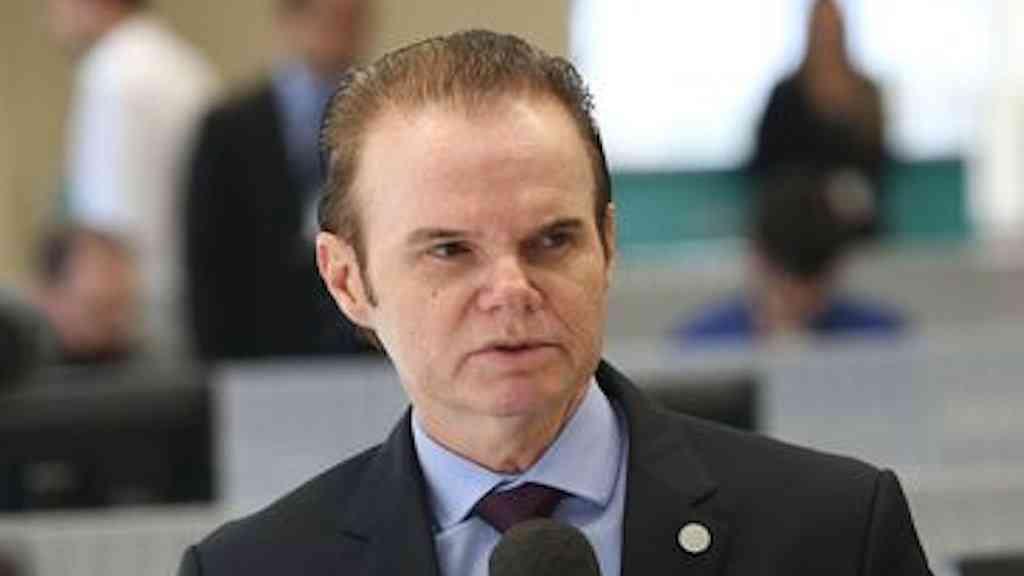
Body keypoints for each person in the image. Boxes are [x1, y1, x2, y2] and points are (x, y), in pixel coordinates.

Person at [179, 31, 931, 575]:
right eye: (450, 251)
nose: (511, 289)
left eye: (551, 241)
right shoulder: (251, 570)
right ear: (348, 281)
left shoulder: (836, 534)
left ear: (607, 245)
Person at [184, 0, 373, 360]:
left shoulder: (381, 122)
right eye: (330, 19)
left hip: (360, 348)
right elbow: (207, 261)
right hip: (260, 349)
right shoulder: (229, 127)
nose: (342, 34)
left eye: (353, 20)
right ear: (290, 20)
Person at [48, 0, 219, 360]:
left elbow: (105, 234)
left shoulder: (113, 73)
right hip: (193, 309)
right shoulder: (183, 65)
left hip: (140, 326)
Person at [676, 168, 906, 345]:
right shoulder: (699, 346)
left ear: (835, 270)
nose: (799, 303)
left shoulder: (884, 339)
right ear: (756, 260)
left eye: (813, 291)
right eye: (785, 292)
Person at [752, 0, 886, 239]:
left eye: (832, 27)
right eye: (821, 27)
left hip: (857, 231)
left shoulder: (867, 93)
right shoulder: (785, 95)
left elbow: (879, 167)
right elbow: (766, 166)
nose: (827, 36)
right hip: (796, 231)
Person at [0, 225, 139, 385]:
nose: (117, 321)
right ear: (47, 293)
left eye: (124, 307)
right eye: (100, 309)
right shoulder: (15, 375)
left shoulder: (136, 369)